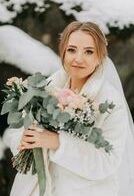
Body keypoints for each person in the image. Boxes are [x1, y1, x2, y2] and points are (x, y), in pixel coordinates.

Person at [9, 21, 134, 196]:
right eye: (71, 49)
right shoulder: (46, 88)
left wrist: (57, 142)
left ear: (100, 57)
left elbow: (108, 161)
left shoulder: (111, 103)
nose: (78, 58)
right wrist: (23, 140)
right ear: (63, 52)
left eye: (89, 52)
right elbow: (17, 133)